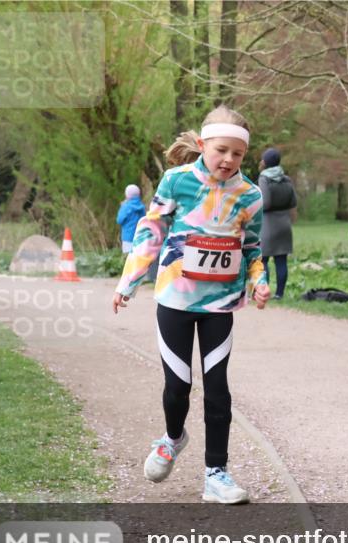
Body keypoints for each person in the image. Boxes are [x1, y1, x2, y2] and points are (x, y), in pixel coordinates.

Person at [112, 105, 271, 504]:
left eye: (237, 154)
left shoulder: (250, 194)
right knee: (177, 386)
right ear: (202, 145)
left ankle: (216, 473)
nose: (229, 160)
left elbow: (252, 248)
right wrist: (129, 282)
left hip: (220, 303)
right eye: (221, 150)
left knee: (218, 389)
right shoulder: (176, 181)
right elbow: (151, 231)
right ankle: (172, 437)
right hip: (175, 300)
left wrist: (259, 282)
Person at [257, 148, 297, 300]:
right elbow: (293, 201)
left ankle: (264, 291)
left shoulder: (264, 179)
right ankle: (279, 293)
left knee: (263, 259)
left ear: (266, 162)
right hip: (284, 223)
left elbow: (265, 202)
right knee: (281, 260)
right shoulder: (286, 179)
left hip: (268, 223)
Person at [116, 184, 146, 254]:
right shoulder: (142, 207)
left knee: (128, 260)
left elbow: (119, 220)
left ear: (127, 195)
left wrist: (122, 207)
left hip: (128, 238)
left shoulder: (126, 207)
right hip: (140, 237)